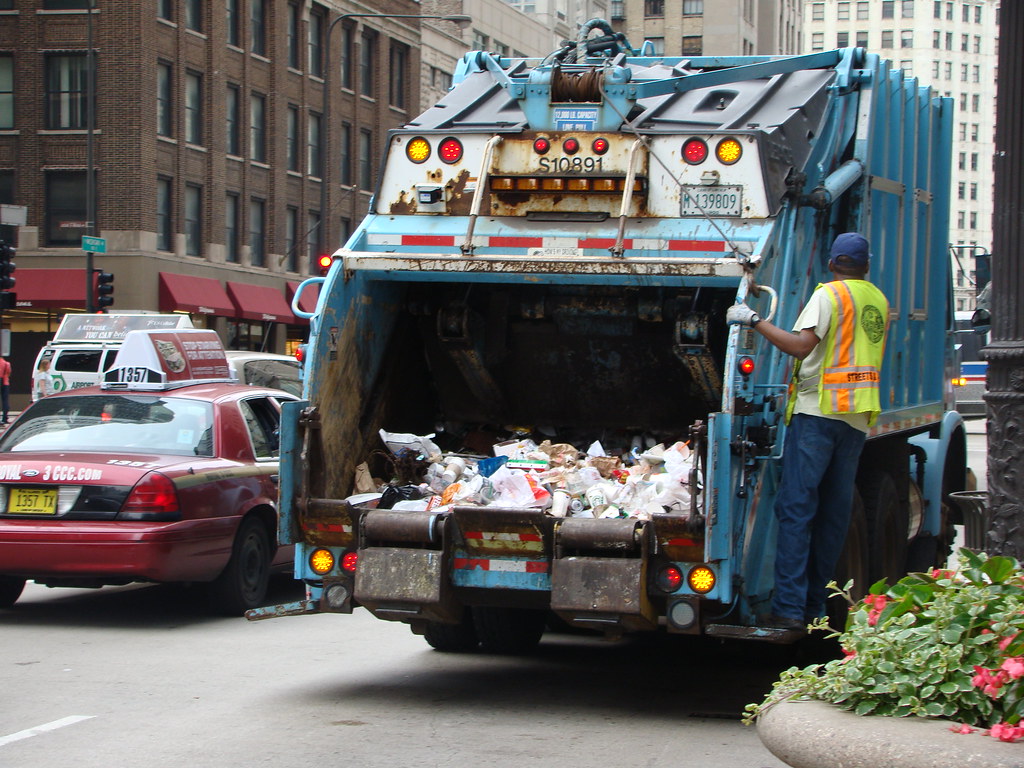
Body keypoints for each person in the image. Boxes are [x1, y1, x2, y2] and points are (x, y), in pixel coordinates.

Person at [727, 232, 890, 632]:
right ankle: (815, 609)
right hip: (855, 420)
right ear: (866, 265)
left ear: (832, 263)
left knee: (796, 512)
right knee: (833, 517)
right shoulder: (878, 300)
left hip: (817, 415)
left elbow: (801, 347)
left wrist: (754, 320)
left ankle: (788, 609)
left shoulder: (830, 295)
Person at [0, 354, 9, 423]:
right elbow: (8, 372)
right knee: (5, 400)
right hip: (5, 382)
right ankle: (4, 418)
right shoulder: (6, 363)